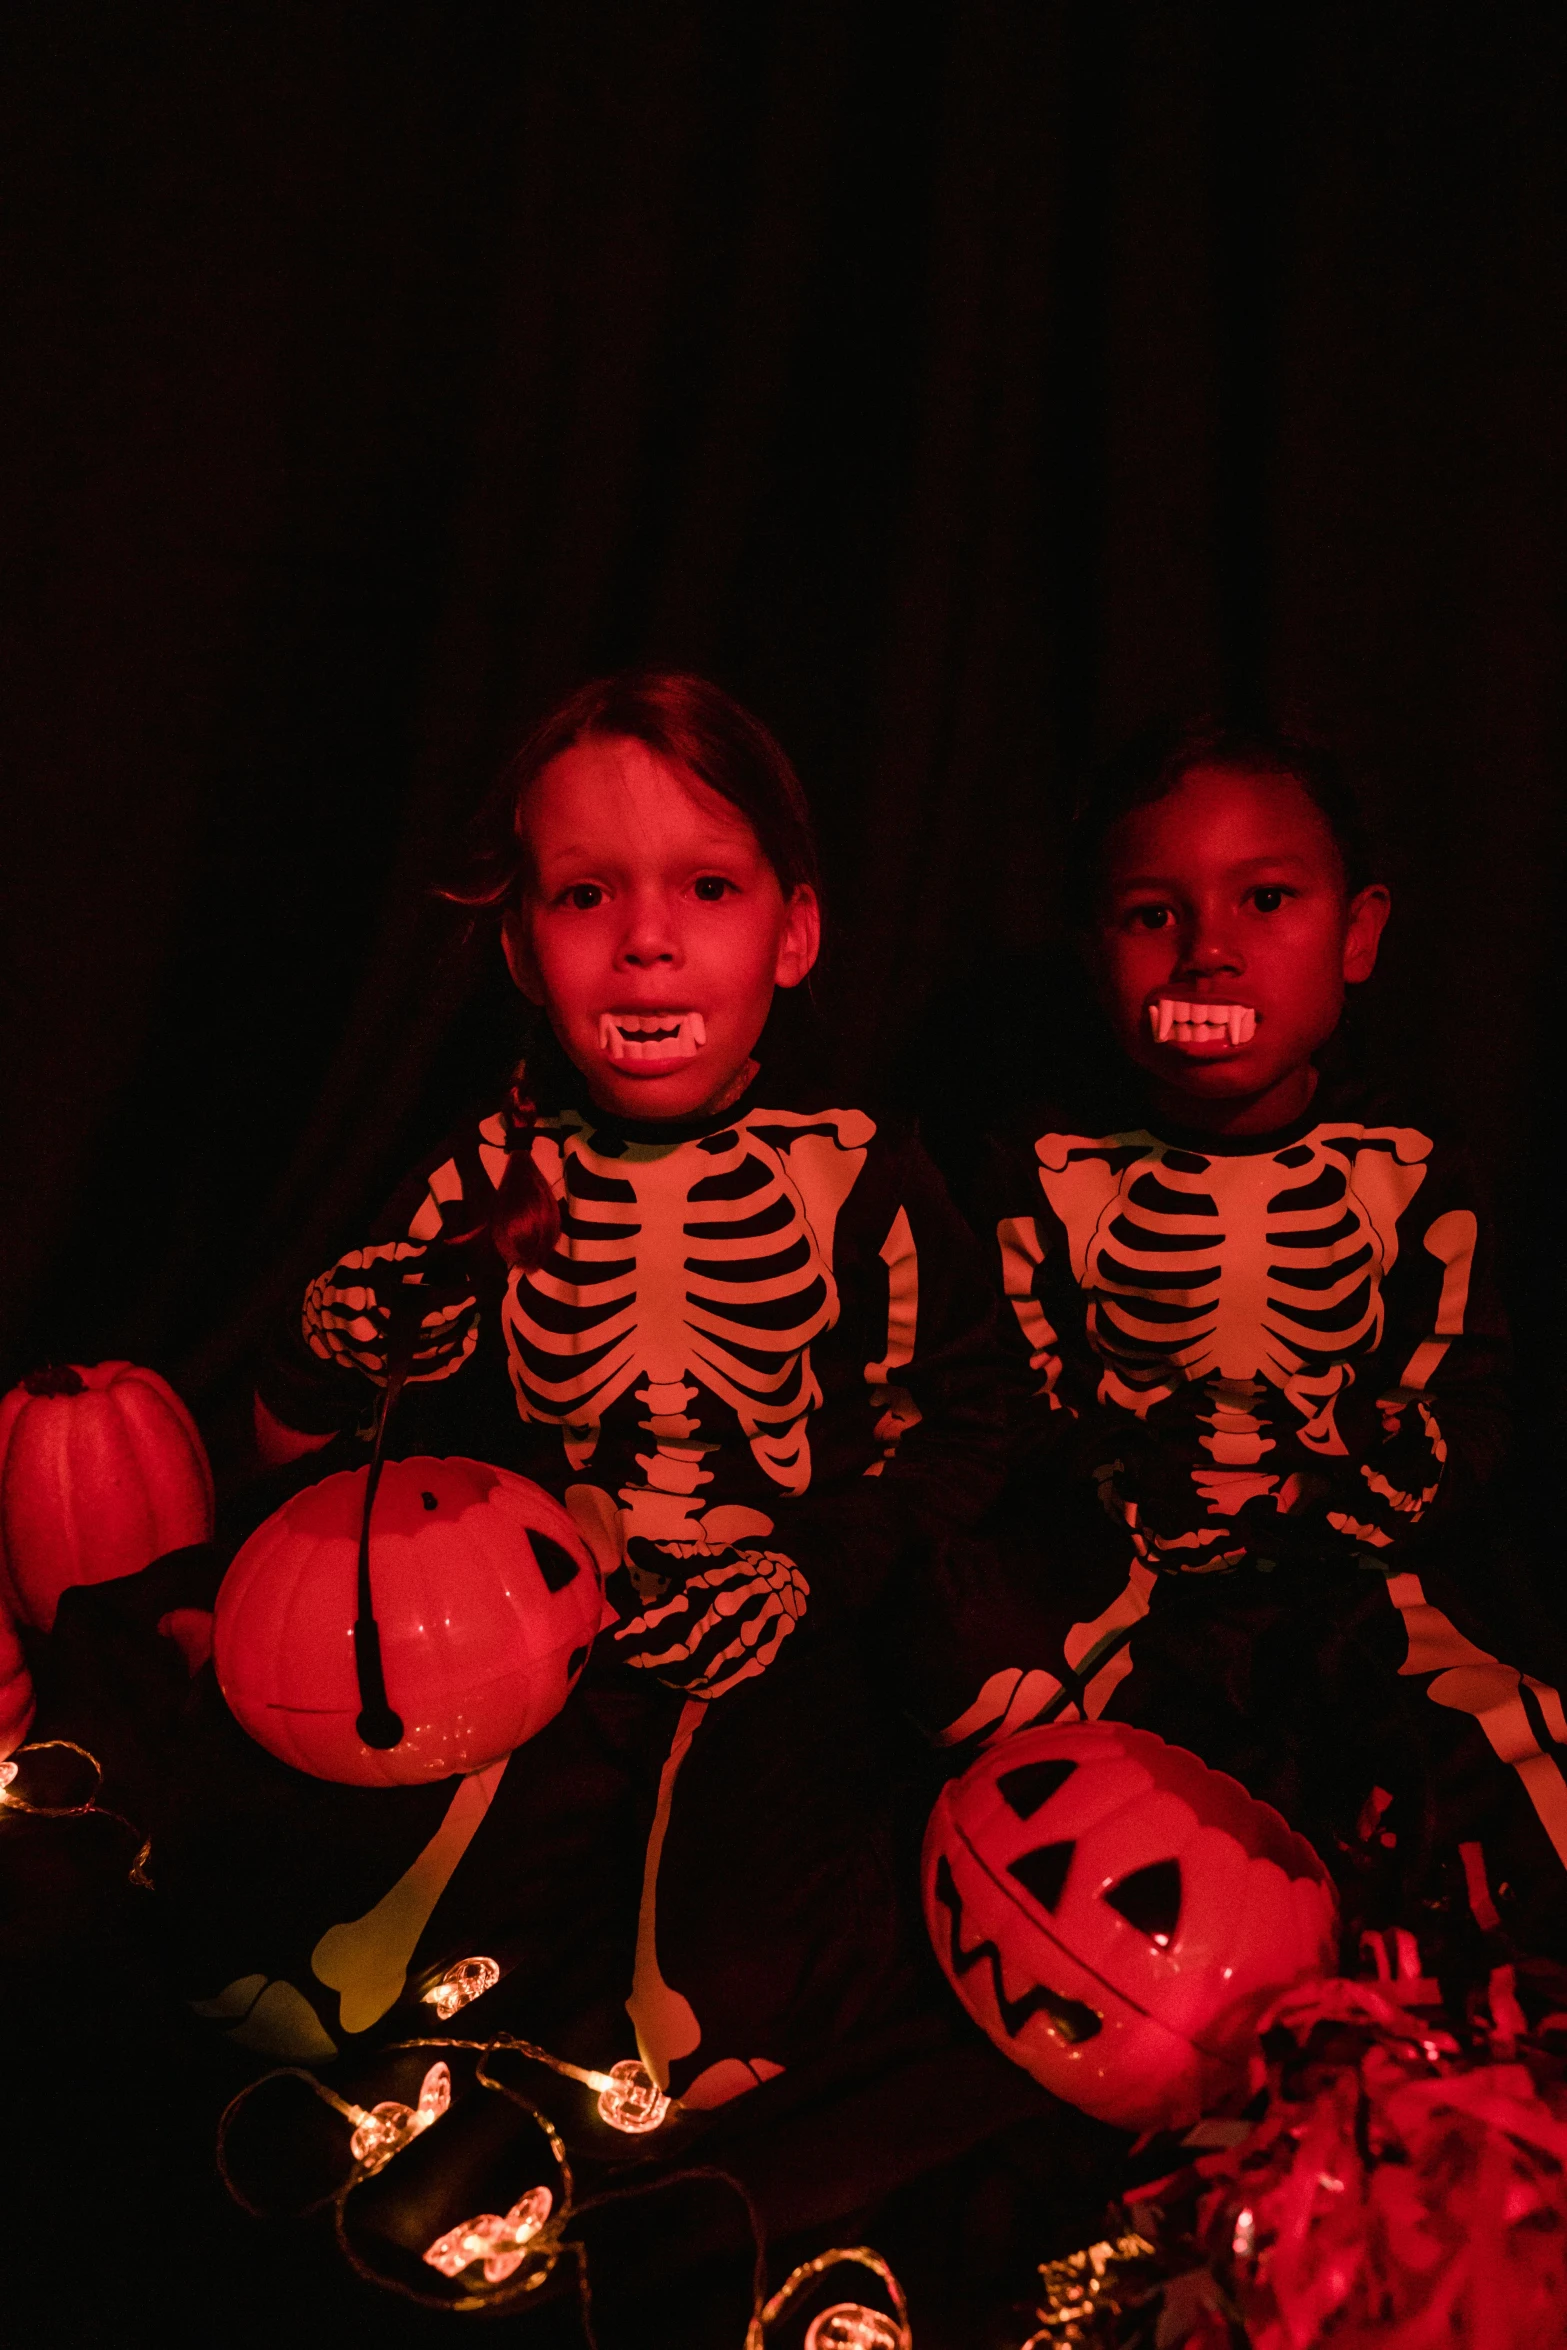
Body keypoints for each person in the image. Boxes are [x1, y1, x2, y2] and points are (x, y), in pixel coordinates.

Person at [201, 669, 1010, 2106]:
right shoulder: (483, 1173)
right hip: (540, 1619)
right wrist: (329, 1341)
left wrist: (811, 1566)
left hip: (782, 1618)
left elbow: (968, 1420)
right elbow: (292, 1453)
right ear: (520, 944)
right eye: (584, 898)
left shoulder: (857, 1175)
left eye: (704, 886)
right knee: (344, 1839)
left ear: (793, 930)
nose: (645, 941)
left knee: (753, 1941)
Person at [921, 722, 1567, 1970]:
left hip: (1358, 1580)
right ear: (1091, 952)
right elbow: (1015, 1392)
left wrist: (1394, 1474)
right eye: (1151, 914)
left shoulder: (1415, 1171)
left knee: (1516, 1743)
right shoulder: (1043, 1171)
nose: (1208, 951)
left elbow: (1467, 1399)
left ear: (1357, 934)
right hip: (1127, 1574)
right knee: (956, 1679)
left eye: (1265, 901)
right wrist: (1108, 1478)